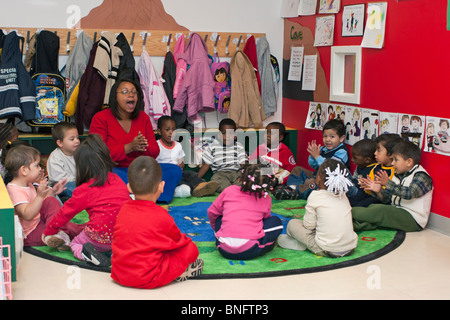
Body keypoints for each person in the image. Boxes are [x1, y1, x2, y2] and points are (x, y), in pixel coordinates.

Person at [111, 156, 203, 289]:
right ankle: (182, 271)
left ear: (129, 187)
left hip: (120, 273)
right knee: (191, 249)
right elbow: (178, 241)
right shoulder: (161, 215)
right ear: (161, 186)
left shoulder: (123, 209)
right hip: (149, 277)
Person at [42, 134, 130, 267]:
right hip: (122, 237)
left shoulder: (85, 189)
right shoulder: (118, 179)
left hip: (99, 238)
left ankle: (84, 252)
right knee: (87, 225)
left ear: (82, 166)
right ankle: (115, 252)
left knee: (75, 242)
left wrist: (48, 231)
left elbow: (64, 214)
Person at [89, 78, 181, 203]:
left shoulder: (143, 118)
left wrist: (142, 147)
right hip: (115, 170)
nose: (131, 94)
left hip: (140, 171)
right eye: (125, 92)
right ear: (114, 96)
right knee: (106, 176)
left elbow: (155, 151)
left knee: (174, 170)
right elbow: (97, 154)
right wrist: (129, 147)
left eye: (134, 92)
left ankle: (132, 196)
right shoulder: (100, 118)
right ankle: (148, 195)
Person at [5, 145, 82, 249]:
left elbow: (42, 204)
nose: (40, 169)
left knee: (51, 201)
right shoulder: (15, 190)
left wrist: (52, 193)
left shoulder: (28, 184)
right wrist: (40, 196)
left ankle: (56, 232)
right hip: (30, 233)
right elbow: (27, 215)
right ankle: (57, 233)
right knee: (68, 227)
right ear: (24, 170)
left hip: (39, 222)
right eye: (36, 165)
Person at [277, 159, 358, 258]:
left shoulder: (315, 196)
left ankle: (302, 244)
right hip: (350, 247)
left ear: (318, 178)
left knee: (292, 224)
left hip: (327, 249)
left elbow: (309, 226)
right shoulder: (343, 195)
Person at [353, 140, 433, 232]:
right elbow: (387, 199)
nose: (392, 163)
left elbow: (410, 193)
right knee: (373, 212)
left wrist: (388, 184)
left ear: (409, 162)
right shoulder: (397, 174)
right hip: (396, 211)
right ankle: (348, 225)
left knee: (380, 210)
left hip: (413, 219)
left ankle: (347, 213)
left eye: (396, 160)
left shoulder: (422, 176)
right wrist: (378, 191)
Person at [207, 164, 282, 260]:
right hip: (250, 250)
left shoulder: (229, 190)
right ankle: (266, 245)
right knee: (276, 222)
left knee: (219, 217)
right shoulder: (265, 198)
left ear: (240, 179)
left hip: (223, 248)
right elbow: (265, 220)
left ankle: (223, 234)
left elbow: (212, 212)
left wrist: (217, 230)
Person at [280, 119, 350, 200]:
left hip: (328, 184)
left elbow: (331, 169)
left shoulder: (342, 151)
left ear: (341, 138)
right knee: (297, 169)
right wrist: (312, 156)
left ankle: (297, 193)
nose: (327, 140)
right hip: (317, 176)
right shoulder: (323, 149)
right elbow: (313, 165)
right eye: (325, 136)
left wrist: (317, 156)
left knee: (311, 183)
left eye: (332, 137)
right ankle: (291, 188)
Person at [156, 115, 218, 198]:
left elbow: (181, 160)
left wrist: (181, 165)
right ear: (159, 131)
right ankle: (182, 190)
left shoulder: (177, 145)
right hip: (165, 175)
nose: (171, 132)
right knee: (178, 182)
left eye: (173, 130)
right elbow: (154, 164)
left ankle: (202, 186)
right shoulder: (157, 145)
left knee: (191, 174)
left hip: (178, 173)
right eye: (167, 130)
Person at [198, 118, 247, 193]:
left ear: (235, 135)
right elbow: (206, 166)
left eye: (230, 133)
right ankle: (229, 191)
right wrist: (197, 178)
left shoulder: (239, 146)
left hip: (237, 173)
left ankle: (235, 190)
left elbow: (243, 164)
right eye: (224, 133)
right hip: (220, 174)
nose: (227, 136)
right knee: (218, 181)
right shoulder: (212, 147)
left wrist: (246, 175)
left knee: (243, 182)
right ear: (219, 135)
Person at [46, 122, 80, 199]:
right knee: (71, 187)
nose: (77, 141)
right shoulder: (55, 157)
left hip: (78, 183)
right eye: (72, 139)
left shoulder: (79, 153)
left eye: (77, 138)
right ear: (60, 143)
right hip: (60, 186)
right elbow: (60, 180)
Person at [347, 139, 382, 207]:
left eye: (355, 158)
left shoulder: (375, 170)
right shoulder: (360, 165)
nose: (352, 160)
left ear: (367, 160)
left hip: (364, 195)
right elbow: (355, 178)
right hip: (356, 189)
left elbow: (369, 193)